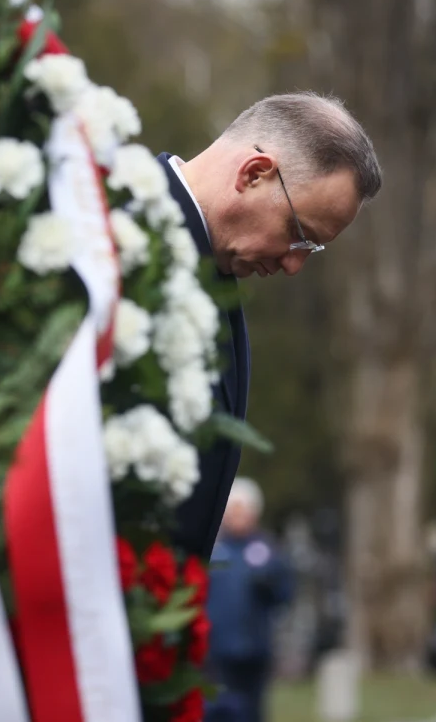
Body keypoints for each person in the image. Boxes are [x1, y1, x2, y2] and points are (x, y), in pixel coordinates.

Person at [161, 92, 382, 560]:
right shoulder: (115, 239)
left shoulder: (206, 267)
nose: (293, 265)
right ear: (254, 174)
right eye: (299, 234)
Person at [205, 477, 294, 722]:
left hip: (255, 649)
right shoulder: (213, 549)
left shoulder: (268, 550)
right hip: (217, 650)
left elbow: (285, 595)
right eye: (234, 510)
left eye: (243, 510)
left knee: (252, 711)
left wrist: (270, 585)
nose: (239, 516)